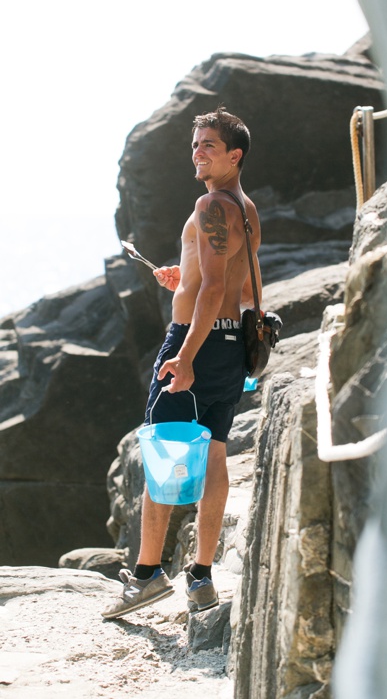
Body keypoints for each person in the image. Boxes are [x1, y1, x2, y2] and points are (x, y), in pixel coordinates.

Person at [103, 107, 261, 619]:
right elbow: (230, 282)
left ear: (234, 155)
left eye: (208, 145)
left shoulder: (211, 204)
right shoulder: (245, 207)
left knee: (163, 455)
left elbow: (215, 286)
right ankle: (201, 577)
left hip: (197, 346)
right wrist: (184, 277)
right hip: (231, 343)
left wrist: (185, 356)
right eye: (195, 145)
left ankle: (147, 576)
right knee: (213, 455)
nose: (197, 152)